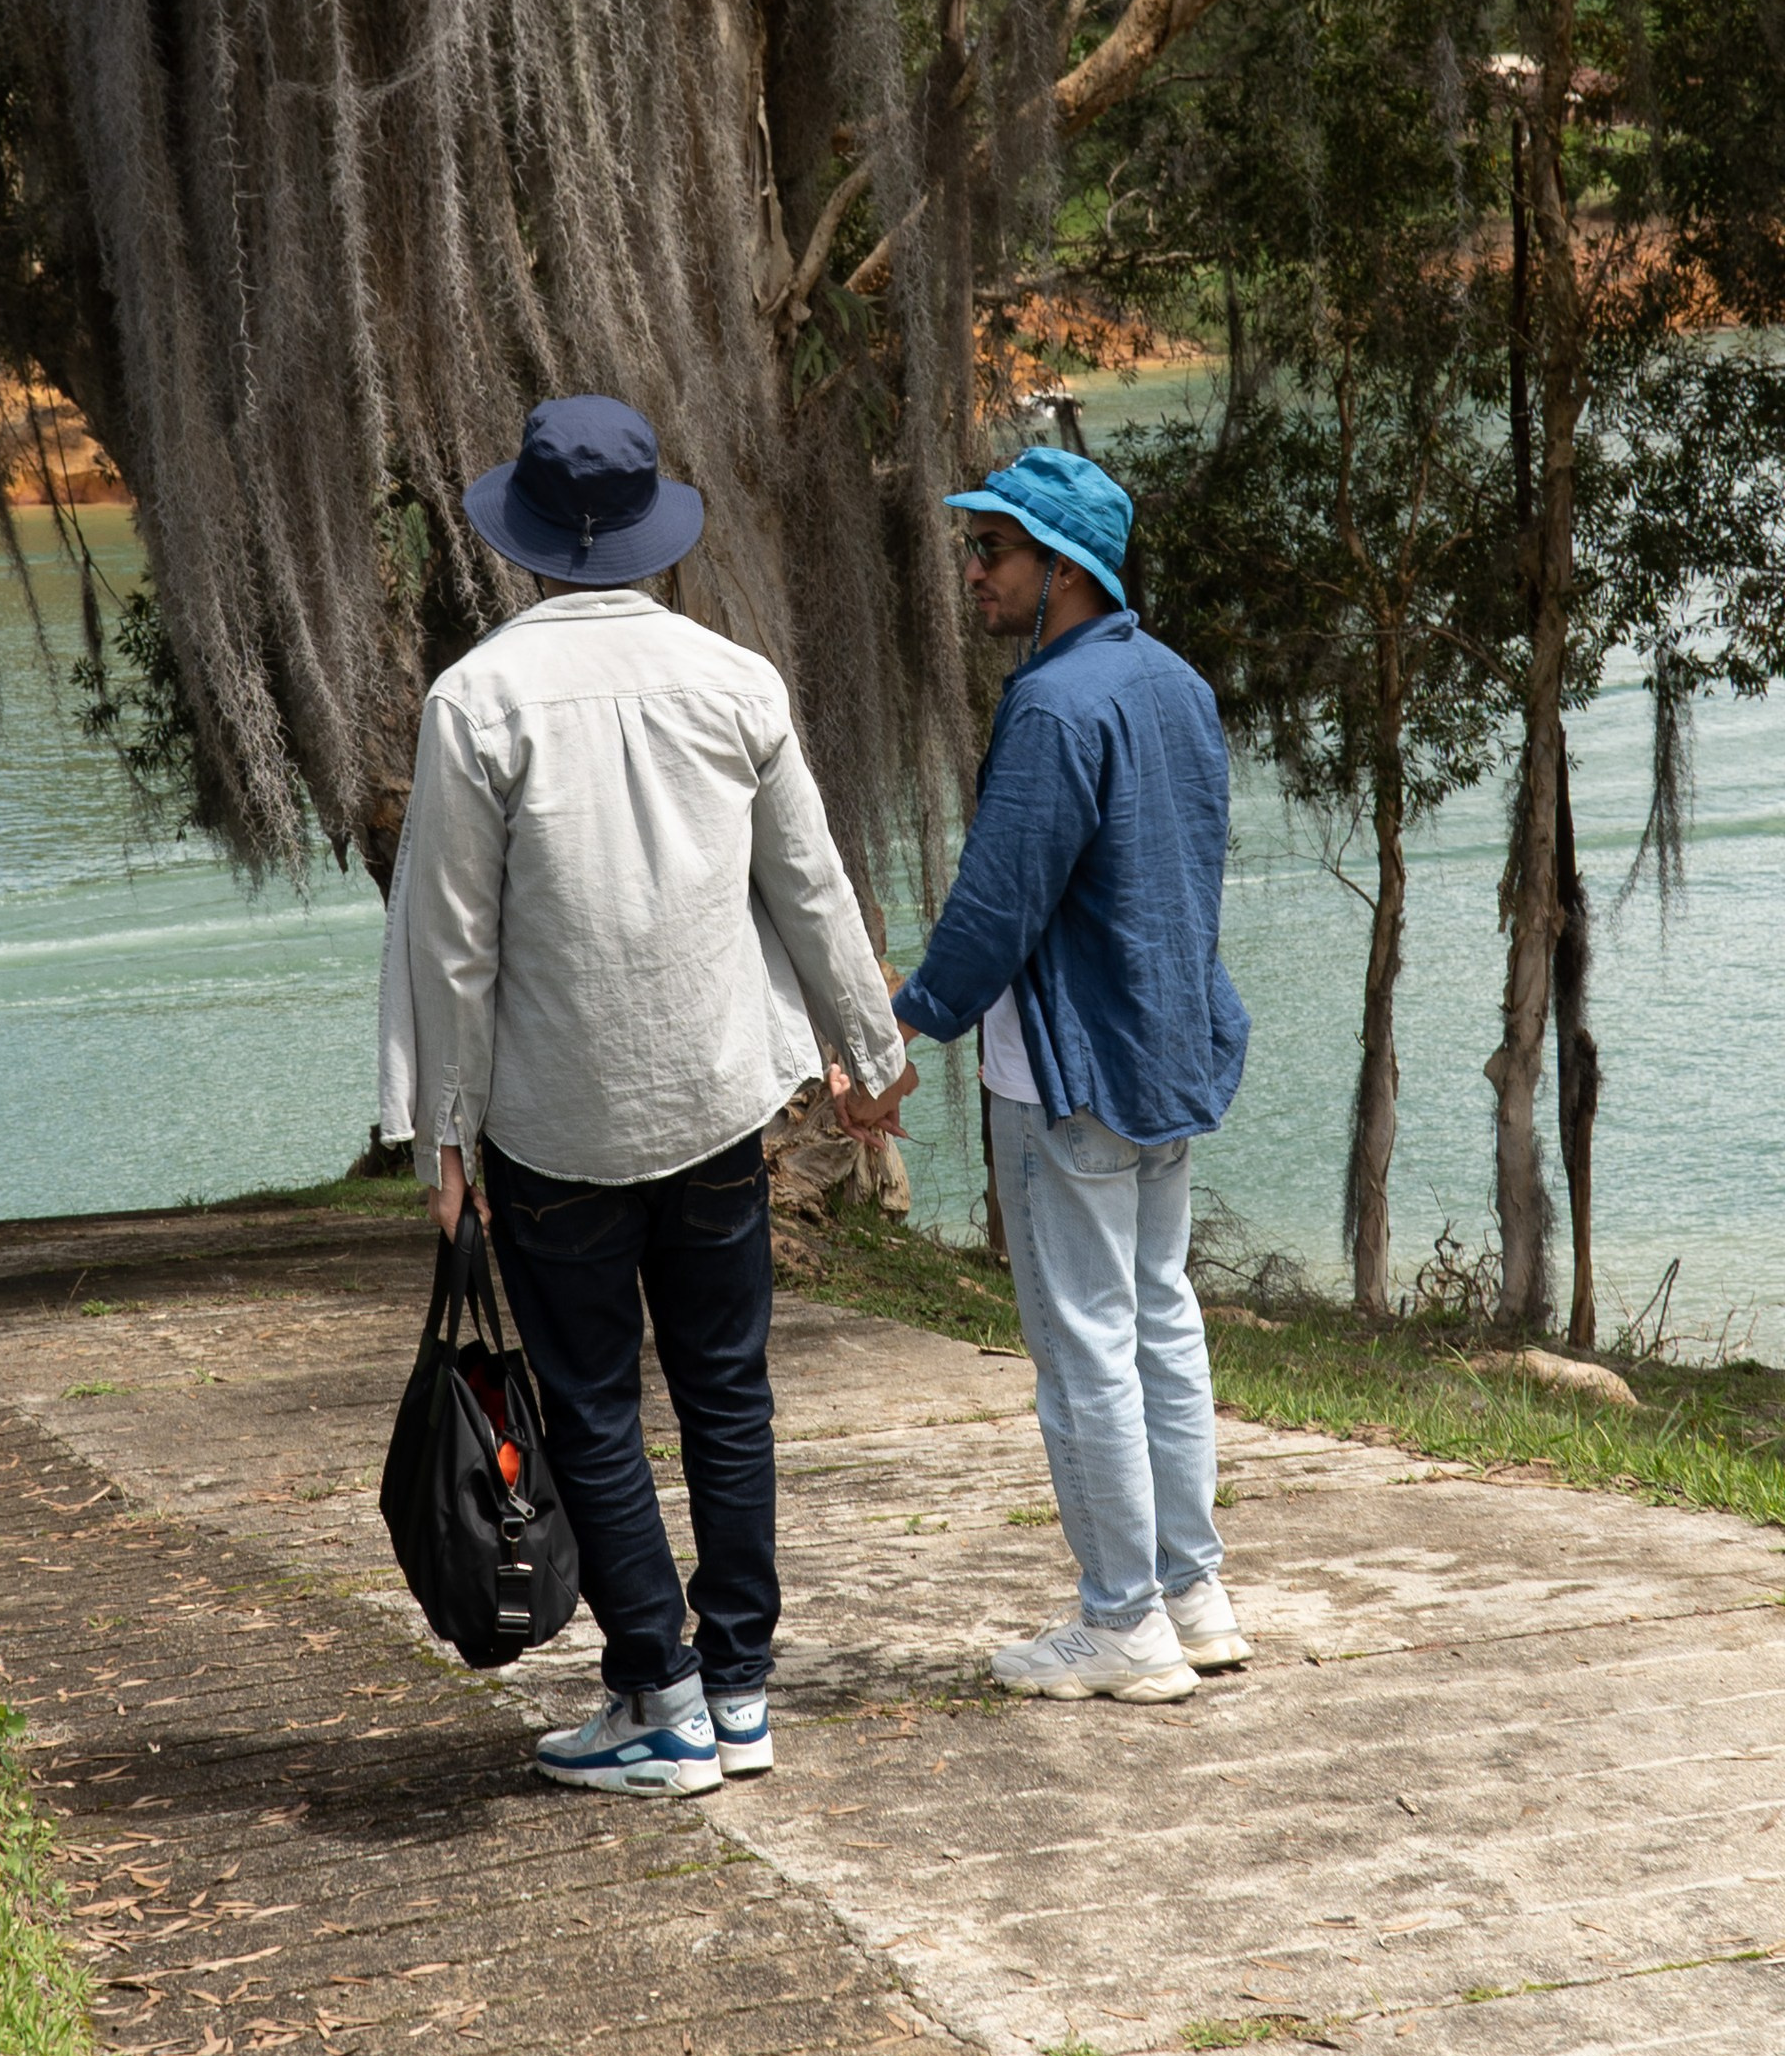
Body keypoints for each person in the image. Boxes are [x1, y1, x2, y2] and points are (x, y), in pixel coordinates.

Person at [377, 394, 907, 1795]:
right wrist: (867, 1049)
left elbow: (451, 941)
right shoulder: (736, 680)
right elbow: (808, 881)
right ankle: (739, 1692)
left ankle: (658, 1693)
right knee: (729, 1392)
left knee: (592, 1401)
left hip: (557, 1117)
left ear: (528, 539)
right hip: (718, 1095)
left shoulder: (474, 699)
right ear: (654, 534)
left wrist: (442, 1130)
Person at [839, 445, 1249, 1705]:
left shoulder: (1055, 706)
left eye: (995, 550)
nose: (974, 571)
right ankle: (1195, 1591)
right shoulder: (1176, 683)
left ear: (1063, 569)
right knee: (1162, 1320)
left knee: (1086, 1345)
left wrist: (900, 1022)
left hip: (1067, 1065)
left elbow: (998, 900)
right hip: (1169, 1050)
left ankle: (1124, 1623)